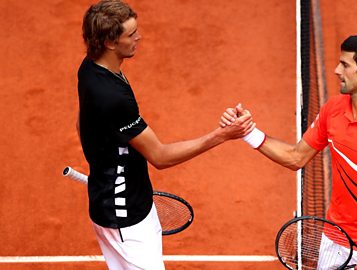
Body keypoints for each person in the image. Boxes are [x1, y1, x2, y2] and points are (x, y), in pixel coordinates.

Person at [221, 34, 357, 270]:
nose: (336, 70)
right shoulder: (333, 110)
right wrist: (247, 132)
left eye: (345, 64)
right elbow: (296, 157)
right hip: (332, 237)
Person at [77, 0, 254, 269]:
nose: (139, 37)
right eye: (131, 34)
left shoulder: (90, 68)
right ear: (110, 43)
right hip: (126, 217)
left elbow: (82, 124)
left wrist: (104, 162)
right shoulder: (113, 98)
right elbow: (160, 156)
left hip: (116, 202)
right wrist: (221, 135)